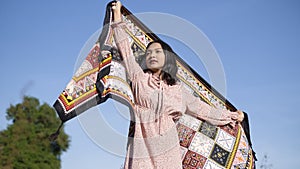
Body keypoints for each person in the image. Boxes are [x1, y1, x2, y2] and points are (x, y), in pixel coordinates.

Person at [111, 1, 244, 169]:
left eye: (158, 52)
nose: (152, 55)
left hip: (168, 148)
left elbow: (205, 111)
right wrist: (117, 15)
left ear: (167, 57)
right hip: (141, 146)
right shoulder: (139, 78)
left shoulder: (178, 90)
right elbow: (125, 49)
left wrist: (232, 116)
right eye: (149, 52)